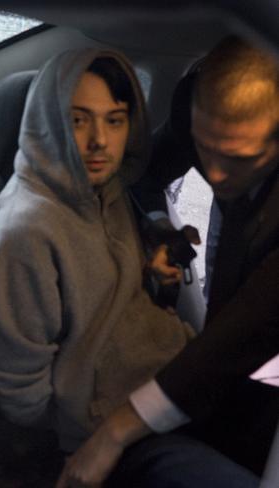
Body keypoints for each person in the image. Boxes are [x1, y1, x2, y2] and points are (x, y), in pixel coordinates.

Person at [59, 35, 279, 487]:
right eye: (205, 149)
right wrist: (164, 233)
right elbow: (144, 177)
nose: (214, 175)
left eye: (240, 158)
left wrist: (117, 432)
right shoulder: (194, 115)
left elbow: (251, 324)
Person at [0, 49, 196, 478]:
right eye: (78, 120)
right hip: (108, 435)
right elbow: (17, 388)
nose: (100, 141)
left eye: (115, 120)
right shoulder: (25, 232)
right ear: (48, 123)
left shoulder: (106, 191)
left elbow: (105, 294)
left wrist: (150, 270)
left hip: (172, 385)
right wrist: (79, 428)